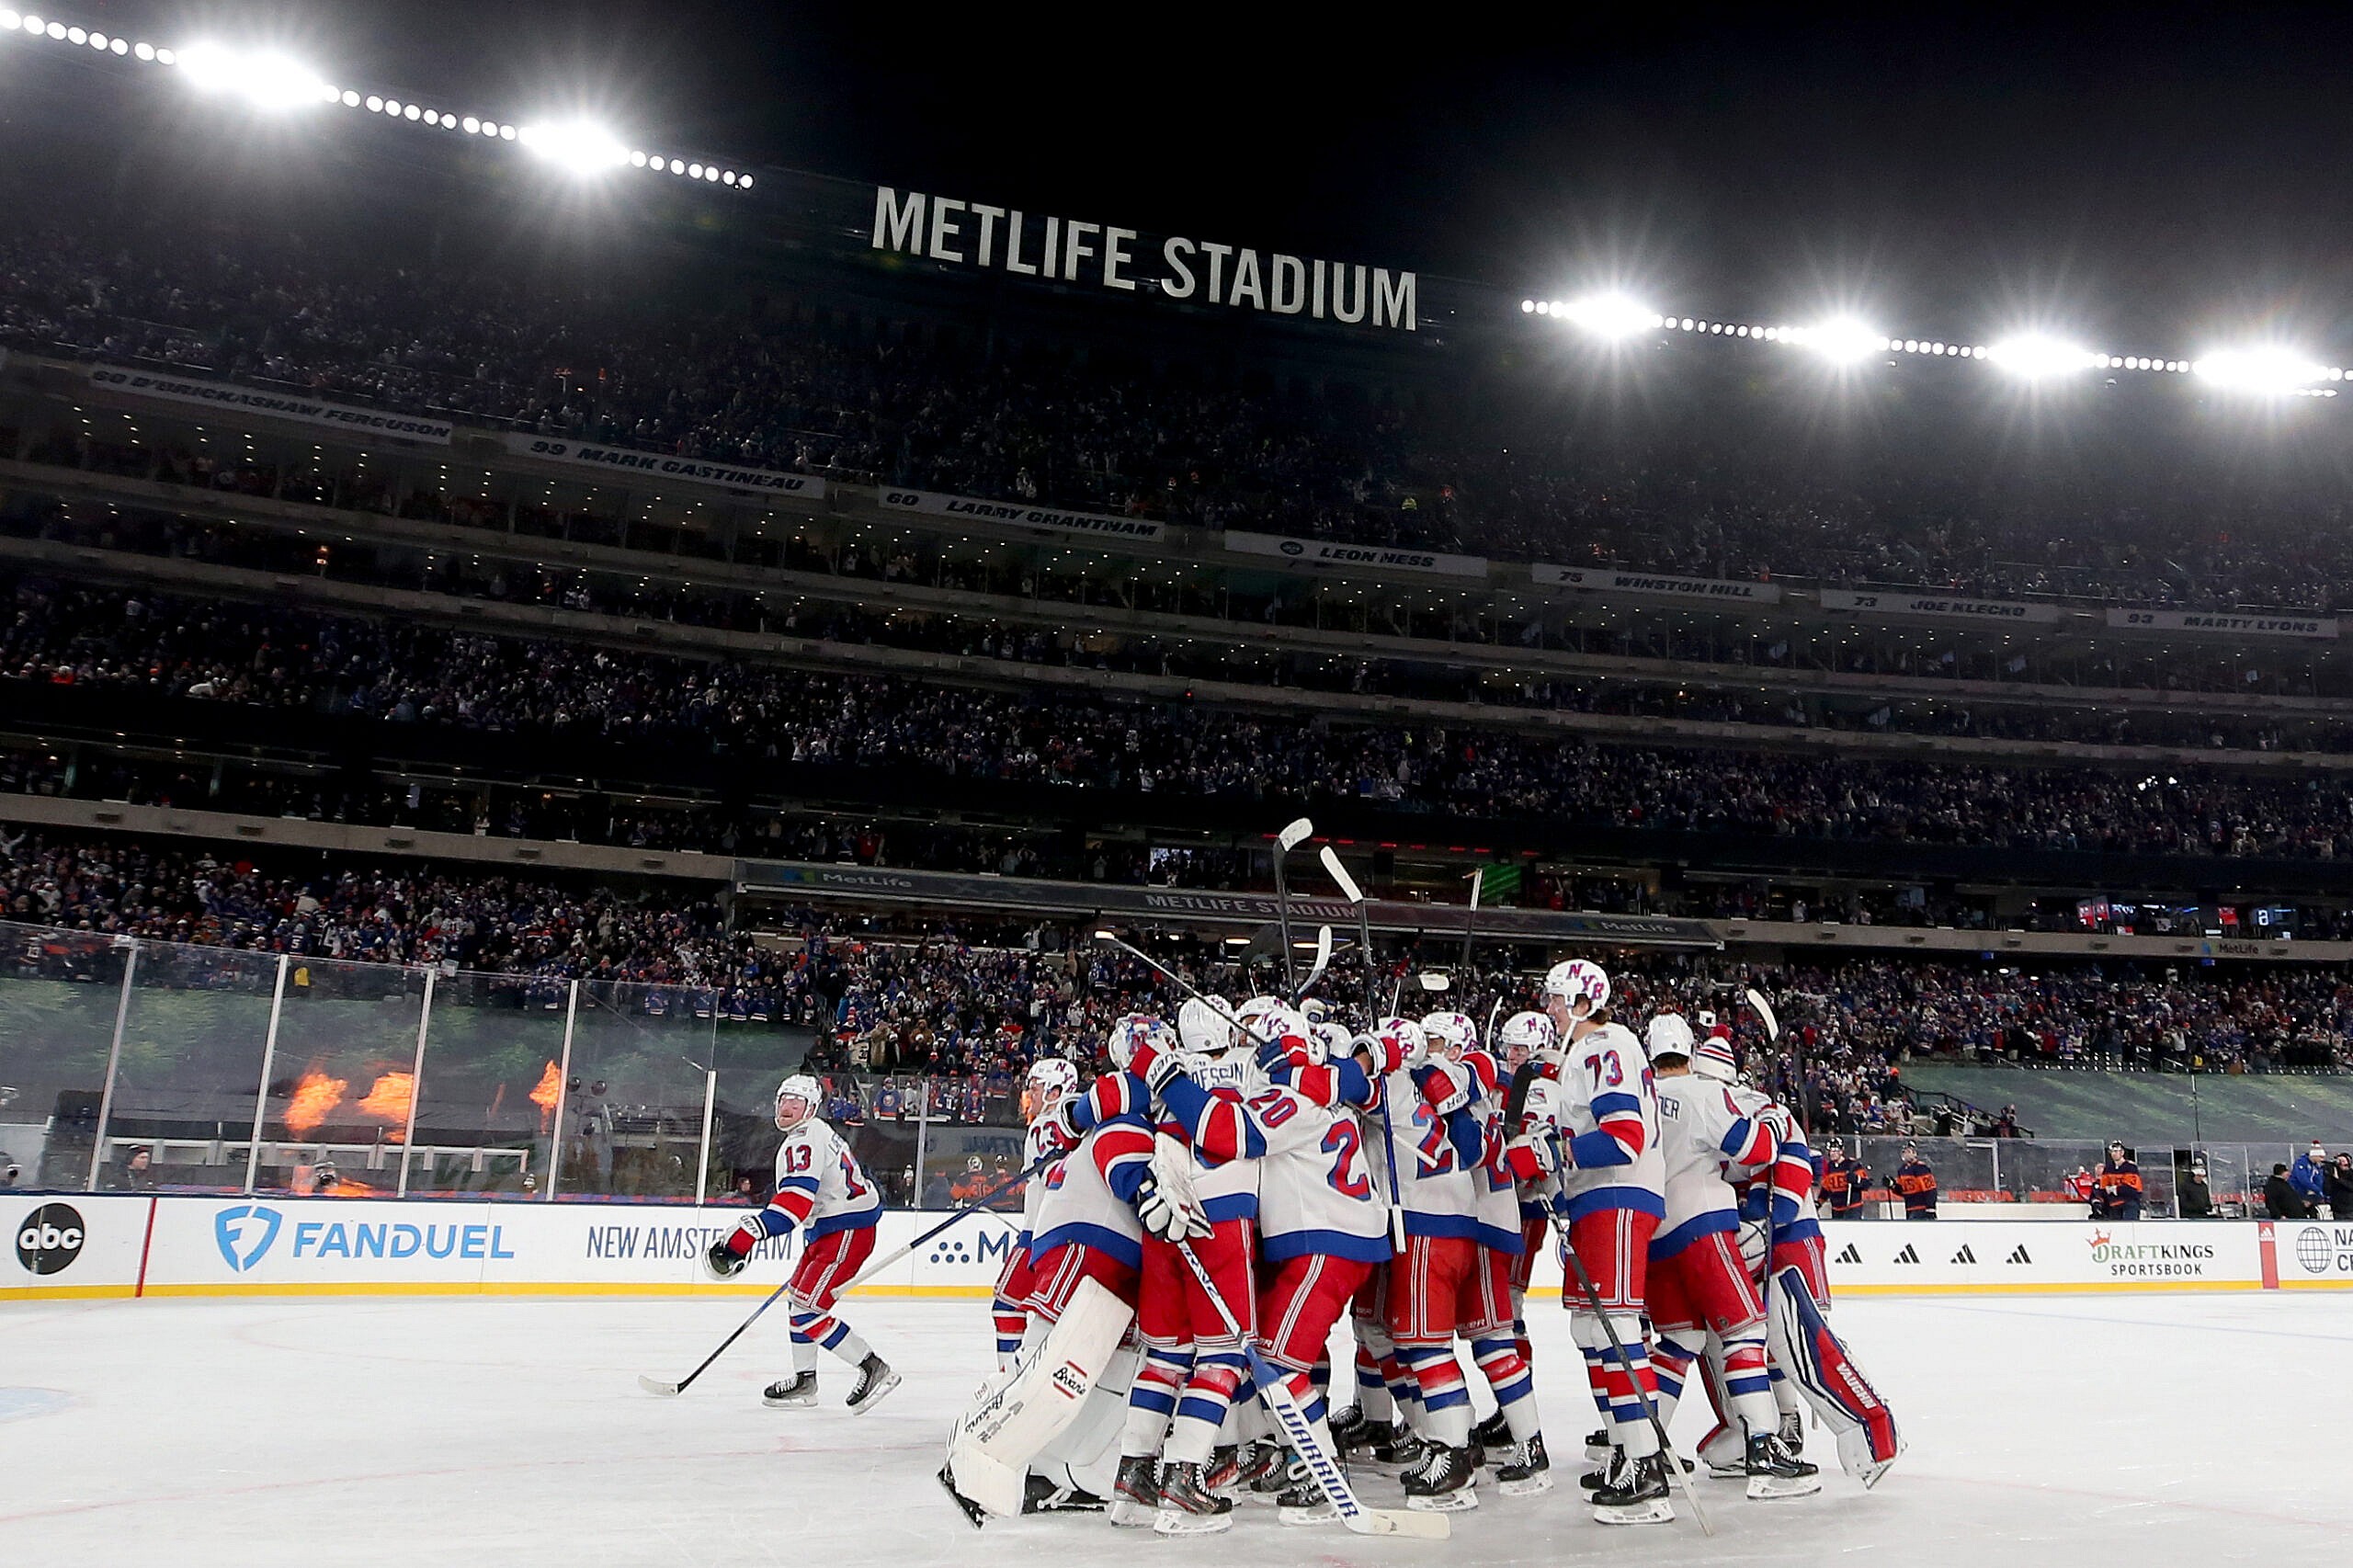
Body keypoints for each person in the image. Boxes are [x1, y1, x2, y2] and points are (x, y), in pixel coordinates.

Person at [702, 1074, 898, 1414]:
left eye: (796, 1101)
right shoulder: (816, 1133)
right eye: (783, 1099)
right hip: (832, 1229)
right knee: (799, 1302)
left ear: (811, 1107)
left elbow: (794, 1206)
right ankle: (805, 1382)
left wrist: (745, 1234)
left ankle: (873, 1368)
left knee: (809, 1310)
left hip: (845, 1230)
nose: (787, 1106)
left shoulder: (805, 1139)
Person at [1818, 1138, 1871, 1220]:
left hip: (1852, 1208)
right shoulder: (1829, 1167)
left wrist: (1856, 1180)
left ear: (1841, 1151)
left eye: (1835, 1151)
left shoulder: (1852, 1165)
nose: (1832, 1153)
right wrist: (1819, 1203)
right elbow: (1825, 1189)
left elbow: (1866, 1184)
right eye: (1830, 1151)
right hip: (1836, 1209)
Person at [2093, 1142, 2142, 1222]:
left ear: (2122, 1152)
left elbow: (2132, 1189)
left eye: (2116, 1151)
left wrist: (2115, 1189)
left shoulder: (2130, 1168)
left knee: (2128, 1226)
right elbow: (2102, 1188)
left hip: (2129, 1204)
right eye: (2112, 1151)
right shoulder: (2108, 1169)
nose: (2114, 1154)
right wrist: (2107, 1190)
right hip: (2113, 1205)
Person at [1893, 1143, 1937, 1220]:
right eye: (1904, 1152)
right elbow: (1903, 1191)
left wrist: (1930, 1207)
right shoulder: (1902, 1170)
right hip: (1909, 1208)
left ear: (1915, 1153)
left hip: (1922, 1208)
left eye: (1909, 1152)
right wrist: (1892, 1185)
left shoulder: (1921, 1168)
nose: (1906, 1154)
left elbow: (1930, 1189)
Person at [2290, 1142, 2330, 1212]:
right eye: (2320, 1157)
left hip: (2310, 1192)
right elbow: (2303, 1180)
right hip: (2298, 1191)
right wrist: (2316, 1190)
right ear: (2314, 1155)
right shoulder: (2301, 1163)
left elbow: (2318, 1179)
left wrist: (2319, 1192)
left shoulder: (2316, 1166)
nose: (2322, 1160)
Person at [2329, 1153, 2353, 1224]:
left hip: (2350, 1209)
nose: (2340, 1163)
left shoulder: (2351, 1174)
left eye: (2342, 1161)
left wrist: (2339, 1179)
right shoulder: (2334, 1174)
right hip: (2337, 1209)